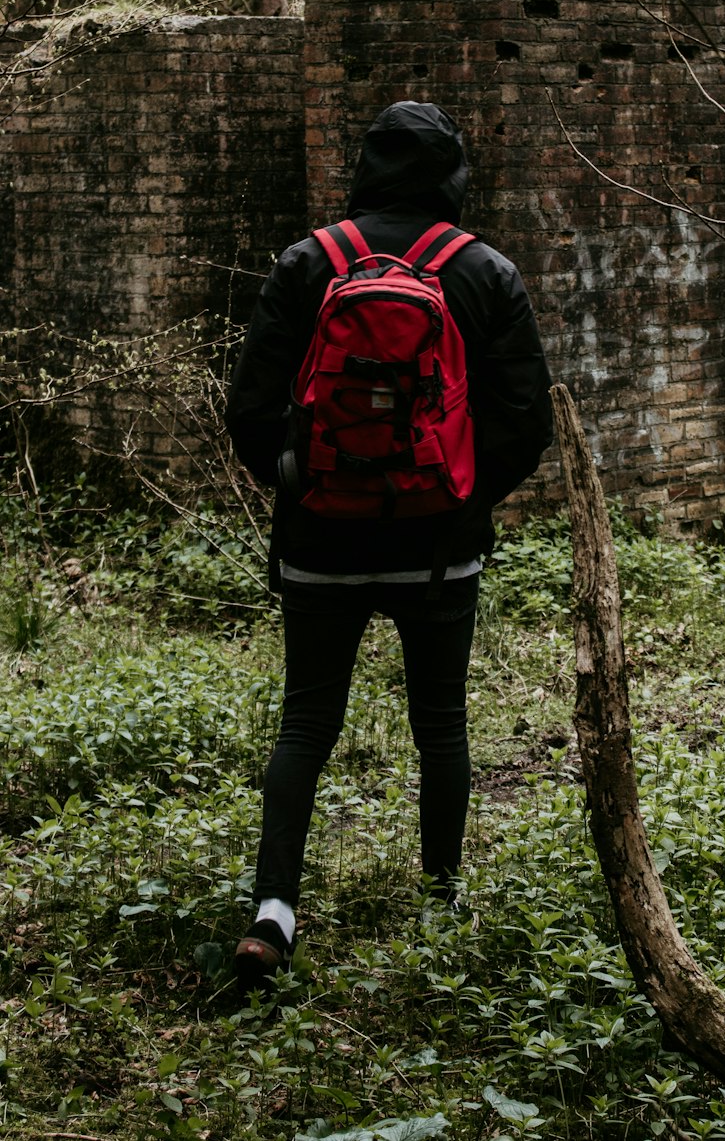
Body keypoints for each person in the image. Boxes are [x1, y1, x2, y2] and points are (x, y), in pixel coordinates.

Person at [225, 100, 552, 992]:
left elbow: (250, 412)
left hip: (318, 541)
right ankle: (440, 903)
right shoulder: (484, 270)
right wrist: (459, 491)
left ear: (365, 165)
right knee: (439, 720)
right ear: (452, 174)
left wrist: (302, 483)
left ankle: (274, 912)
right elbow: (527, 422)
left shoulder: (308, 263)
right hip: (439, 548)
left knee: (306, 722)